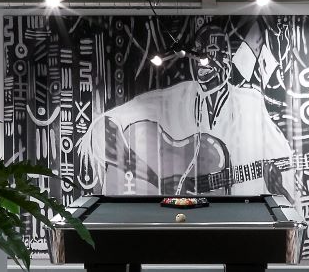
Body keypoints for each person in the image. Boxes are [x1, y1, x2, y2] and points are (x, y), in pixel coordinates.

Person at [100, 28, 293, 196]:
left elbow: (283, 163)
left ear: (227, 60)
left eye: (212, 53)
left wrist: (278, 188)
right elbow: (104, 127)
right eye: (199, 56)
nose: (202, 63)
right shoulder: (176, 97)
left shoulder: (251, 103)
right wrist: (154, 179)